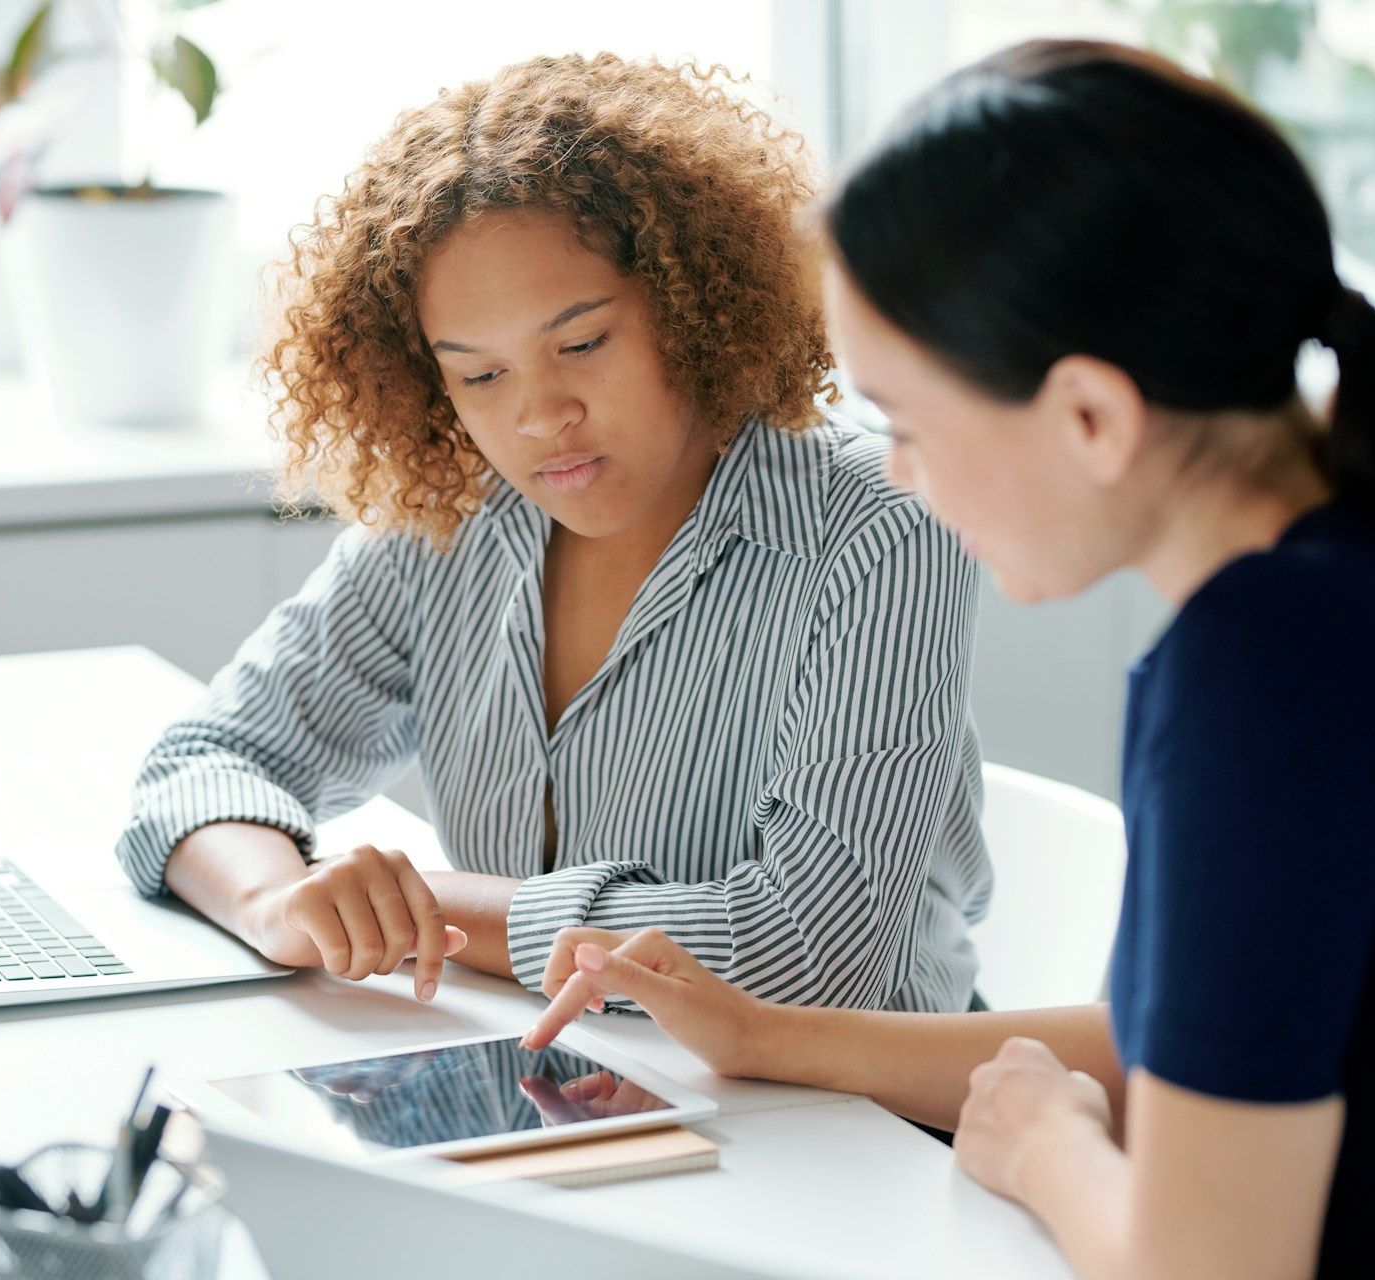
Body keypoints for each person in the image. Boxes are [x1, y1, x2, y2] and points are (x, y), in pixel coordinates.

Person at [526, 40, 1375, 1278]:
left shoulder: (1260, 678)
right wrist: (766, 1034)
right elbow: (1190, 1053)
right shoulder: (1359, 586)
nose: (900, 474)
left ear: (1091, 416)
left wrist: (1044, 1146)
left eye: (912, 424)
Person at [114, 53, 990, 1015]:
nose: (538, 417)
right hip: (562, 1081)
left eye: (580, 344)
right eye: (480, 376)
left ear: (694, 302)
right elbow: (201, 765)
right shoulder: (451, 516)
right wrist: (278, 901)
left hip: (857, 1130)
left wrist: (430, 909)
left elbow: (810, 957)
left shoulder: (877, 525)